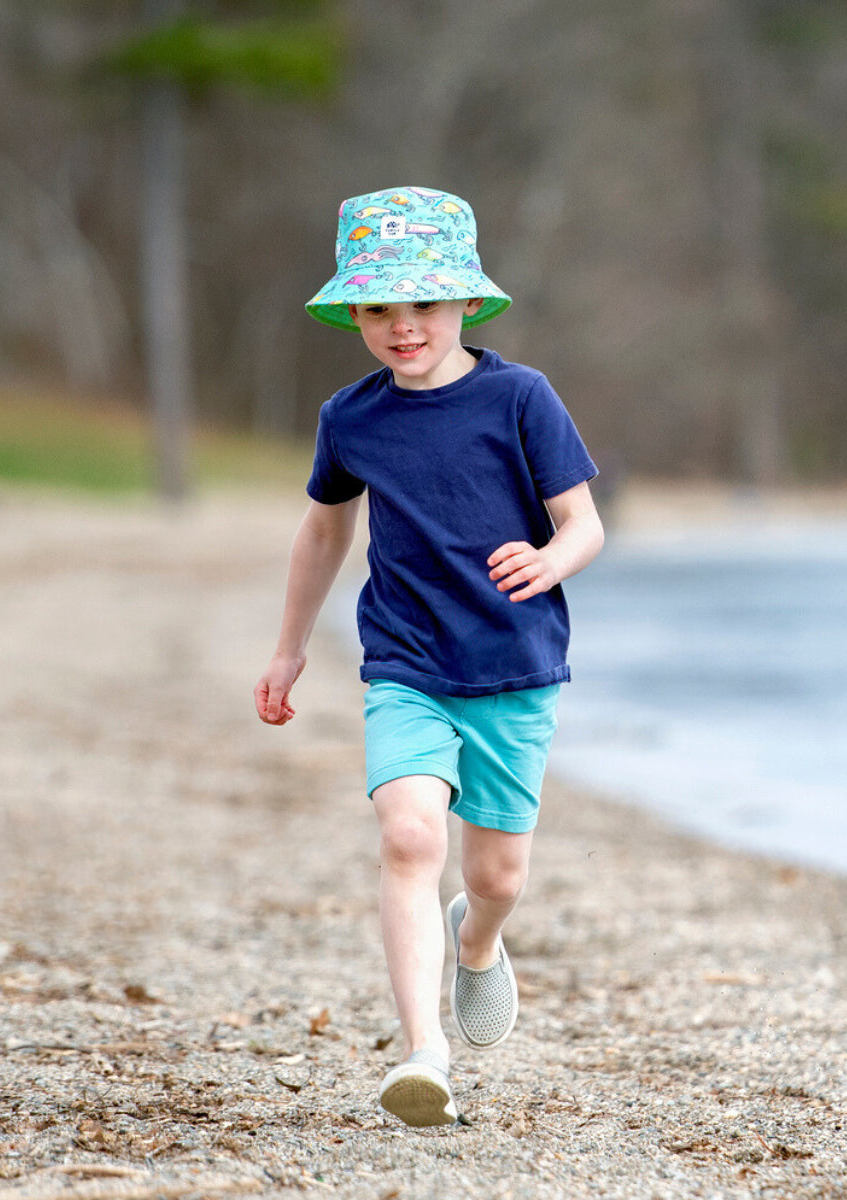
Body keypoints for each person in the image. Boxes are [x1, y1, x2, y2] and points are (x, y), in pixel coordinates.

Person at [254, 187, 603, 1128]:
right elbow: (324, 535)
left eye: (423, 305)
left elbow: (583, 524)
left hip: (514, 667)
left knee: (495, 878)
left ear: (465, 305)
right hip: (404, 663)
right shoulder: (351, 418)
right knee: (409, 836)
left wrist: (548, 557)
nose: (402, 327)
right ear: (355, 314)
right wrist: (289, 651)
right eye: (378, 309)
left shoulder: (520, 398)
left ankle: (478, 945)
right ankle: (423, 1054)